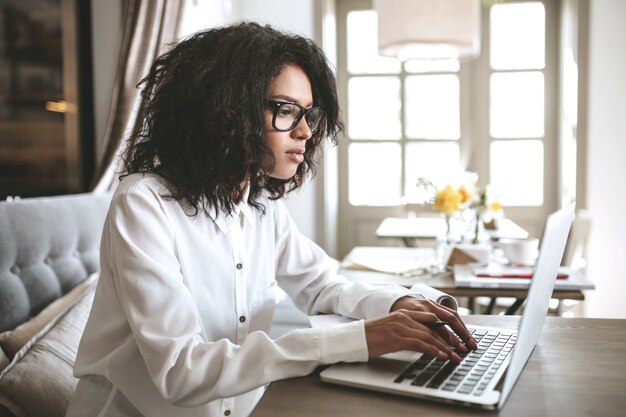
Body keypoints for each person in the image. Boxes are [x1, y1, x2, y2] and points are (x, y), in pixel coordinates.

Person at [66, 22, 477, 417]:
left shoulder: (260, 204)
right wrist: (359, 339)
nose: (305, 132)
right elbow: (181, 371)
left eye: (309, 115)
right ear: (225, 109)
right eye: (285, 110)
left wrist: (397, 303)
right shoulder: (144, 203)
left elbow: (322, 285)